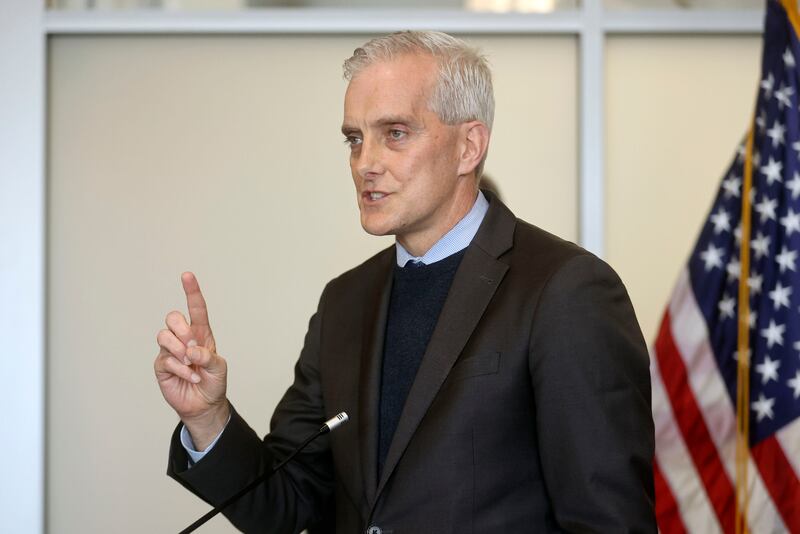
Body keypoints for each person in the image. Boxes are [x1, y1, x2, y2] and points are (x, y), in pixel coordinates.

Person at [155, 31, 656, 533]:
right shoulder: (344, 302)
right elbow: (289, 503)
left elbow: (608, 522)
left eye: (395, 133)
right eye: (355, 138)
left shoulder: (566, 289)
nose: (364, 163)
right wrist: (209, 418)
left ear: (469, 146)